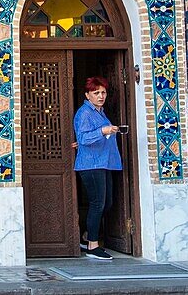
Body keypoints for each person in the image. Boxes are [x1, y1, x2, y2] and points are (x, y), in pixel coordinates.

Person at [73, 75, 122, 260]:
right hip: (91, 164)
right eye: (96, 93)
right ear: (87, 95)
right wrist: (103, 130)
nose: (101, 96)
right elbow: (83, 138)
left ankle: (86, 236)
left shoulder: (100, 112)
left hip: (104, 162)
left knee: (106, 203)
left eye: (103, 92)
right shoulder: (84, 113)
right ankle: (92, 246)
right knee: (97, 203)